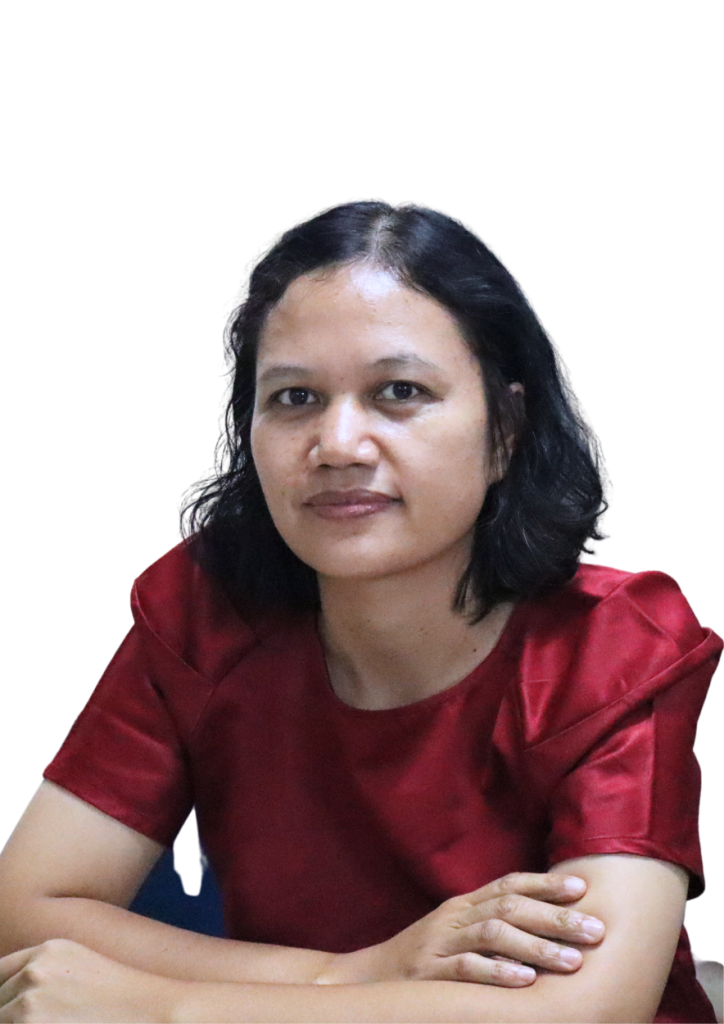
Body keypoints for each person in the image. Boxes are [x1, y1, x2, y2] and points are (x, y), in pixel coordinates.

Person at [0, 198, 721, 1023]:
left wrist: (169, 1011)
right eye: (294, 398)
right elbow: (20, 908)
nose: (338, 445)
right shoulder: (206, 610)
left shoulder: (613, 646)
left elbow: (588, 1010)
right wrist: (352, 974)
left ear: (506, 429)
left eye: (399, 391)